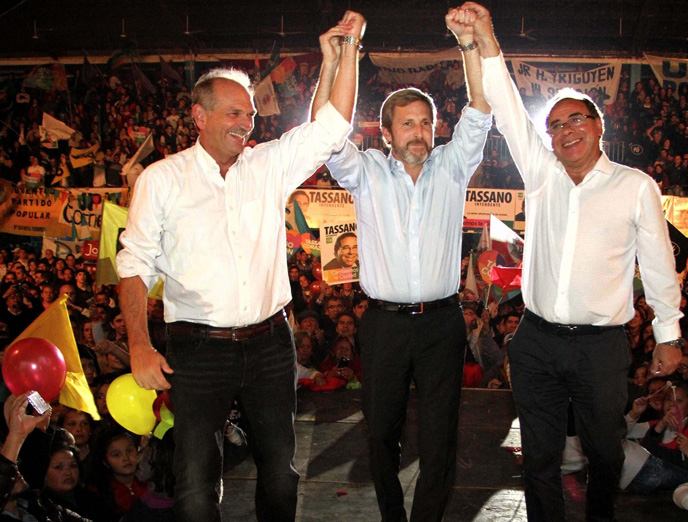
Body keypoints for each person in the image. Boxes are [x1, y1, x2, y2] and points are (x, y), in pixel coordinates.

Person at [114, 13, 363, 522]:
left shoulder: (267, 165)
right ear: (199, 116)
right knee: (195, 482)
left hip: (271, 344)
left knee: (280, 473)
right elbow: (133, 264)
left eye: (249, 114)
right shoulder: (161, 180)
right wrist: (139, 344)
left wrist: (343, 55)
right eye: (233, 113)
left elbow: (332, 126)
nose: (245, 123)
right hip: (197, 349)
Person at [462, 3, 684, 521]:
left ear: (598, 125)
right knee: (539, 457)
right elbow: (507, 105)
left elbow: (657, 263)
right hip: (537, 342)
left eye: (576, 119)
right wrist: (485, 36)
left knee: (604, 453)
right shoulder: (541, 175)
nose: (565, 131)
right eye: (555, 125)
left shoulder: (635, 186)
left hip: (600, 348)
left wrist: (669, 335)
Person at [314, 7, 491, 521]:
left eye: (426, 122)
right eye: (408, 123)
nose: (419, 131)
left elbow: (481, 107)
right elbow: (323, 132)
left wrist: (468, 45)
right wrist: (337, 59)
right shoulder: (365, 171)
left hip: (441, 322)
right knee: (380, 433)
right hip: (384, 325)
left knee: (440, 436)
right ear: (386, 132)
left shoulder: (453, 166)